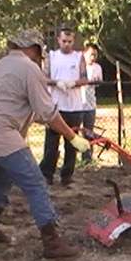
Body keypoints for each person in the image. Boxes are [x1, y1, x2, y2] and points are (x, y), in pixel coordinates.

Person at [0, 30, 89, 259]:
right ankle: (52, 242)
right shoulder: (30, 68)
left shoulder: (2, 65)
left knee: (3, 178)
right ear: (34, 49)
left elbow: (20, 105)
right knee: (35, 183)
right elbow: (48, 112)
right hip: (0, 133)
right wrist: (71, 136)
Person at [39, 27, 88, 186]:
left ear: (73, 41)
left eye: (70, 41)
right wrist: (57, 83)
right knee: (51, 144)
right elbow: (44, 77)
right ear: (59, 40)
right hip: (56, 106)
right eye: (64, 41)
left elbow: (84, 79)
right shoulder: (51, 57)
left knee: (71, 143)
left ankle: (67, 175)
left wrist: (73, 83)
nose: (67, 44)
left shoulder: (79, 57)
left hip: (74, 106)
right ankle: (47, 174)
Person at [81, 43, 103, 162]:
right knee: (74, 131)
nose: (93, 57)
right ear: (85, 54)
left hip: (90, 104)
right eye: (91, 54)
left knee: (88, 132)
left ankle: (87, 158)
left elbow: (99, 82)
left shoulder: (97, 67)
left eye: (95, 55)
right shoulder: (78, 66)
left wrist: (93, 81)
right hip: (77, 104)